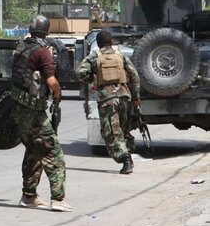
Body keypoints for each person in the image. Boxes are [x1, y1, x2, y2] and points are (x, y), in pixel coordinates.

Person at [10, 15, 71, 212]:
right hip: (34, 112)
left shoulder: (22, 47)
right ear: (47, 31)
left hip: (19, 109)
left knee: (34, 151)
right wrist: (57, 94)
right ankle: (58, 199)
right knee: (54, 153)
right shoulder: (43, 51)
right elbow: (52, 81)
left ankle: (29, 196)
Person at [75, 30, 141, 174]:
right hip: (125, 97)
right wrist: (136, 98)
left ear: (98, 44)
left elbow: (79, 72)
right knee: (123, 129)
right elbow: (134, 76)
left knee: (111, 132)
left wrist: (93, 79)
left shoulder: (94, 56)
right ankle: (128, 153)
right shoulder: (120, 56)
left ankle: (125, 159)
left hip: (108, 99)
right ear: (112, 42)